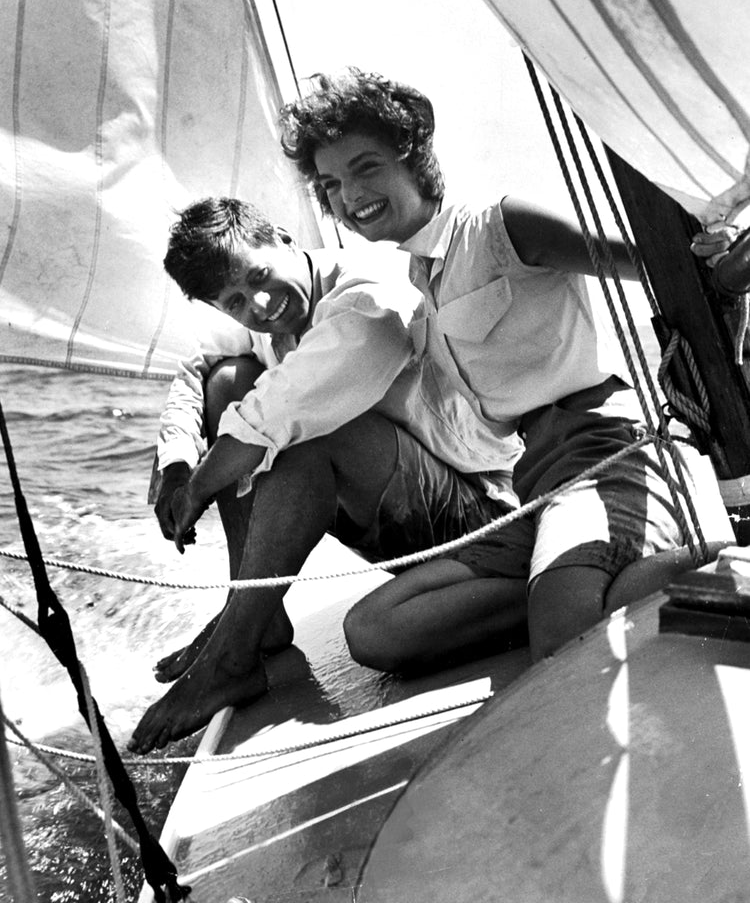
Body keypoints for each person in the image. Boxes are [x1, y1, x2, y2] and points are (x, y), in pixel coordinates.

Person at [278, 67, 728, 666]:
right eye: (332, 183)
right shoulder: (419, 275)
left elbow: (662, 263)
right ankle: (582, 582)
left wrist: (719, 255)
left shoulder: (500, 225)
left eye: (366, 166)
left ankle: (704, 555)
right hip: (536, 481)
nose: (350, 196)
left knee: (564, 647)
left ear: (414, 157)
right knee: (375, 630)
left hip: (608, 449)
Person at [128, 196, 524, 754]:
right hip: (411, 527)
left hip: (487, 515)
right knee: (228, 380)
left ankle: (233, 654)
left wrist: (200, 486)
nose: (260, 305)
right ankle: (254, 619)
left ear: (288, 240)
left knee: (305, 435)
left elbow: (287, 408)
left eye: (260, 276)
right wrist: (176, 463)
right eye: (235, 302)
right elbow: (195, 369)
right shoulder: (266, 320)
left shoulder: (368, 294)